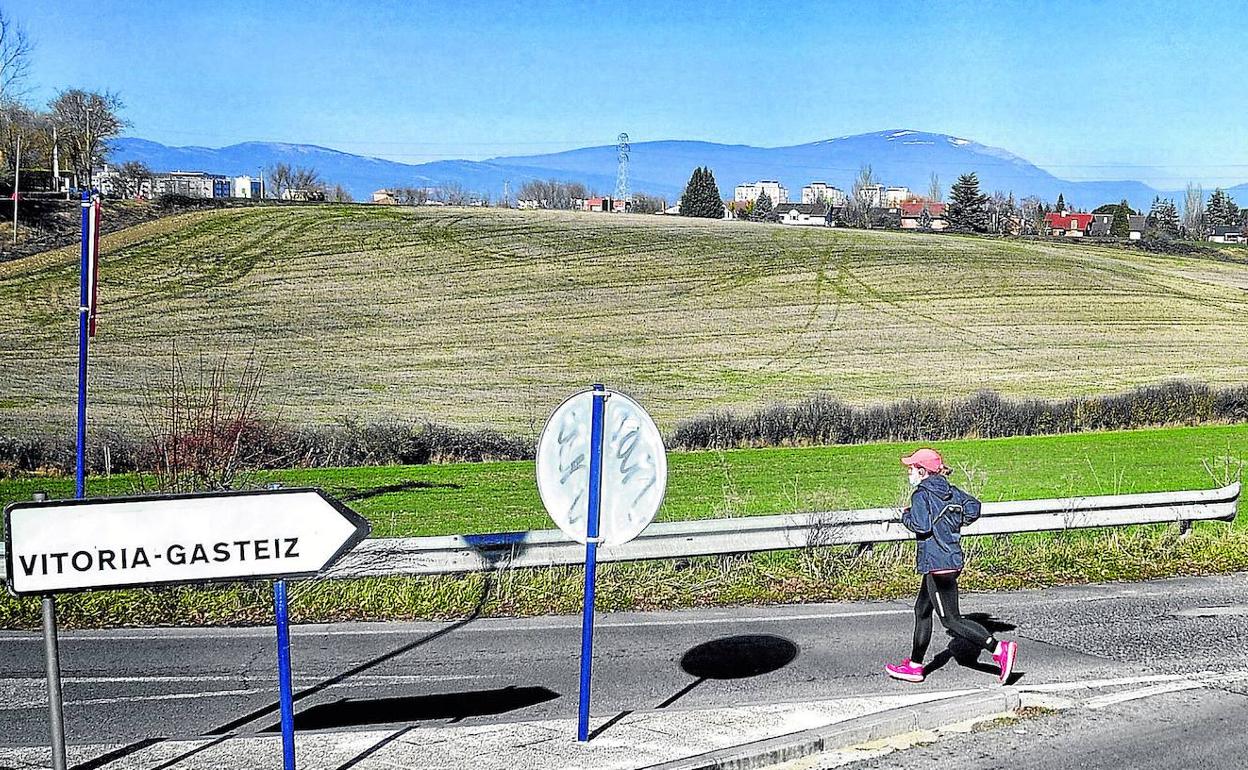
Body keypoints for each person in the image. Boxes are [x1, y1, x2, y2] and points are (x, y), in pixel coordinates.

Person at [885, 447, 1018, 684]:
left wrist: (905, 515)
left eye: (912, 468)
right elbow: (973, 507)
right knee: (922, 610)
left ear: (923, 471)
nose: (909, 473)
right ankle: (915, 666)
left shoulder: (921, 495)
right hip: (948, 560)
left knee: (951, 620)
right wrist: (953, 524)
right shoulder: (951, 491)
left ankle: (999, 650)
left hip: (939, 565)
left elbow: (921, 525)